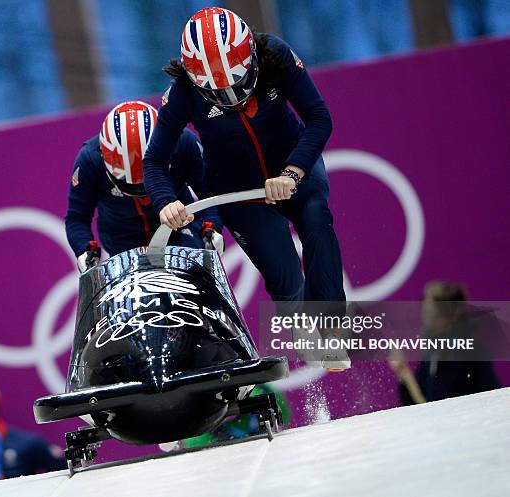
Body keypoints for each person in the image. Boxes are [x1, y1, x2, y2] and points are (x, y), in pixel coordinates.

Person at [143, 7, 345, 305]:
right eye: (218, 91)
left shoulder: (275, 55)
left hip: (293, 167)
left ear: (251, 57)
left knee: (316, 218)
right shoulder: (182, 93)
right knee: (286, 280)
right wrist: (165, 202)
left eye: (238, 82)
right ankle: (307, 336)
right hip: (238, 191)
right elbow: (154, 161)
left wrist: (293, 171)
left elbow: (318, 117)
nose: (232, 97)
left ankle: (331, 329)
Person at [65, 100, 223, 272]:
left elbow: (209, 193)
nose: (144, 193)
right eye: (132, 187)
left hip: (180, 227)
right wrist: (85, 249)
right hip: (123, 239)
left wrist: (212, 227)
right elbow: (77, 217)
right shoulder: (89, 160)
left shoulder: (183, 142)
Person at [389, 281, 501, 405]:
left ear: (450, 314)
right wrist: (403, 372)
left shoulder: (473, 353)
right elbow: (419, 406)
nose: (425, 316)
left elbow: (493, 399)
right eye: (424, 309)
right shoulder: (431, 355)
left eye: (432, 311)